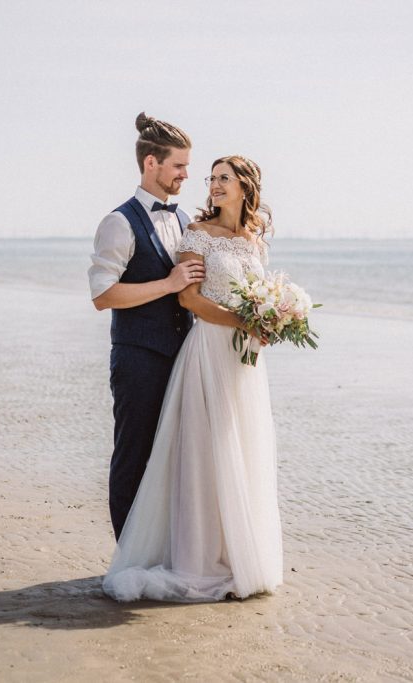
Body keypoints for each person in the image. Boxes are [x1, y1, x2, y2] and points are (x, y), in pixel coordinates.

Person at [103, 155, 283, 602]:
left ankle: (236, 554)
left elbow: (260, 299)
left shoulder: (255, 243)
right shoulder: (196, 233)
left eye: (224, 179)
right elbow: (190, 300)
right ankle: (195, 558)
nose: (214, 185)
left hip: (244, 363)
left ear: (245, 186)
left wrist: (273, 320)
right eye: (211, 178)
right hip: (207, 352)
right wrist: (244, 323)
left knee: (240, 450)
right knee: (203, 455)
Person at [89, 112, 205, 541]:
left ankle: (162, 551)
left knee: (174, 460)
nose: (186, 175)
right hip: (138, 359)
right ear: (151, 163)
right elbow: (103, 296)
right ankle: (127, 558)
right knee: (133, 457)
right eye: (178, 165)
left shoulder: (181, 219)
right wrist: (168, 284)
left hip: (183, 359)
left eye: (187, 166)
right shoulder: (118, 222)